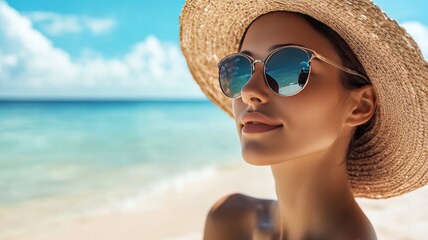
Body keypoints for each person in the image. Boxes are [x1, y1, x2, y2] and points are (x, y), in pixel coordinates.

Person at [179, 1, 428, 239]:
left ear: (359, 106)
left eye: (286, 67)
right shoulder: (228, 218)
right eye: (240, 69)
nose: (248, 91)